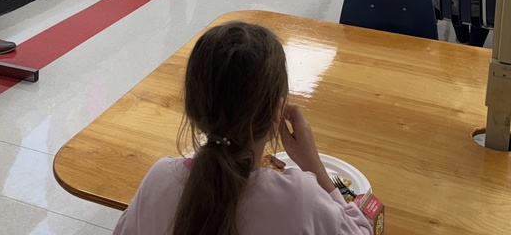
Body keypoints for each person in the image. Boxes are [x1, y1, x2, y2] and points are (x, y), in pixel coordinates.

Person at [112, 21, 373, 235]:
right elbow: (362, 230)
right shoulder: (300, 199)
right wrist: (313, 166)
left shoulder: (159, 179)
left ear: (192, 108)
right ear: (277, 112)